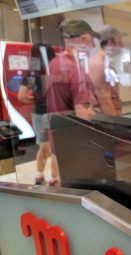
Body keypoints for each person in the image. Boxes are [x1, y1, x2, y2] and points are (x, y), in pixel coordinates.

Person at [45, 20, 98, 186]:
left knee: (59, 175)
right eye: (91, 40)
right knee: (77, 185)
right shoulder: (75, 68)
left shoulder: (54, 63)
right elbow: (83, 113)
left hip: (56, 130)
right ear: (83, 39)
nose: (93, 44)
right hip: (72, 137)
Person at [17, 43, 56, 185]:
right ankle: (54, 179)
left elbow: (21, 96)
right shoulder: (54, 70)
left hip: (38, 113)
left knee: (43, 147)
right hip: (54, 113)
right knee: (55, 150)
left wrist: (35, 99)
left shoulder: (32, 73)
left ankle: (39, 176)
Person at [89, 25, 123, 116]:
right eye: (119, 43)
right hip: (106, 119)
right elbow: (105, 101)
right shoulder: (99, 64)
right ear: (110, 43)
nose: (122, 46)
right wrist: (116, 126)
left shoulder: (106, 62)